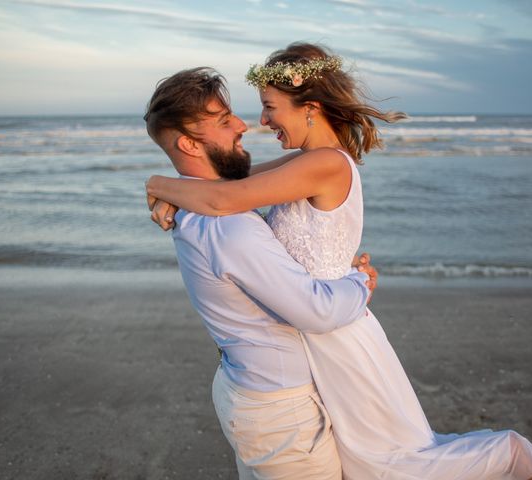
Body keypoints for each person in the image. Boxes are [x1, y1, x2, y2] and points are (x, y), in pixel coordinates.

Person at [146, 44, 532, 480]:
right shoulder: (307, 161)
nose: (260, 121)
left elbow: (224, 197)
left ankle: (509, 459)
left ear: (311, 108)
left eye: (269, 107)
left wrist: (158, 183)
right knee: (365, 462)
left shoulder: (325, 164)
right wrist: (176, 192)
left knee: (386, 464)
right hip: (318, 332)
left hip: (335, 331)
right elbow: (232, 181)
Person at [143, 66, 380, 479]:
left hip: (254, 392)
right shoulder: (227, 225)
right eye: (223, 121)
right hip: (280, 412)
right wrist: (360, 282)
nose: (245, 125)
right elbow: (317, 312)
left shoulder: (200, 206)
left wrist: (163, 185)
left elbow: (254, 181)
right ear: (187, 142)